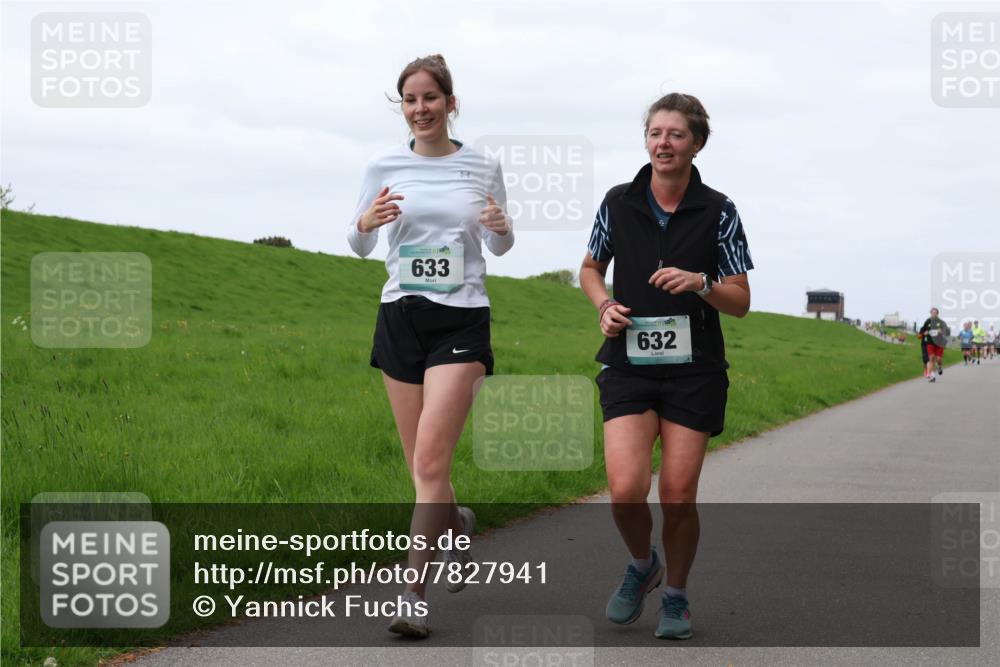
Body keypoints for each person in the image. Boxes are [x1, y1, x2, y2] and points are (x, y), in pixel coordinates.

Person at [346, 54, 514, 638]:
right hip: (400, 315)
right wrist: (365, 222)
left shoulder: (482, 165)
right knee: (422, 469)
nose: (420, 109)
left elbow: (502, 246)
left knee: (429, 461)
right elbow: (359, 244)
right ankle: (458, 523)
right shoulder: (384, 164)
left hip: (461, 320)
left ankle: (412, 595)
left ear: (450, 102)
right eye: (410, 100)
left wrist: (499, 226)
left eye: (430, 98)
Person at [579, 93, 752, 640]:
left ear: (697, 143)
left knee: (677, 492)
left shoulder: (719, 210)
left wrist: (701, 284)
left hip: (694, 370)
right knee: (627, 488)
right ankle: (641, 564)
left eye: (676, 134)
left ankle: (675, 596)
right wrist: (604, 305)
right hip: (629, 364)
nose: (663, 143)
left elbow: (741, 298)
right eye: (655, 132)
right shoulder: (618, 201)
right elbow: (589, 268)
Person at [918, 308, 950, 382]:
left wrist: (941, 331)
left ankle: (939, 366)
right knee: (931, 358)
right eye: (932, 313)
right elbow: (922, 332)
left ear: (937, 314)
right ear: (930, 313)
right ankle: (932, 375)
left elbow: (947, 332)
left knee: (938, 359)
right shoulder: (927, 321)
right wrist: (924, 333)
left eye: (935, 313)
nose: (933, 314)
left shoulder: (941, 322)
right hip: (930, 342)